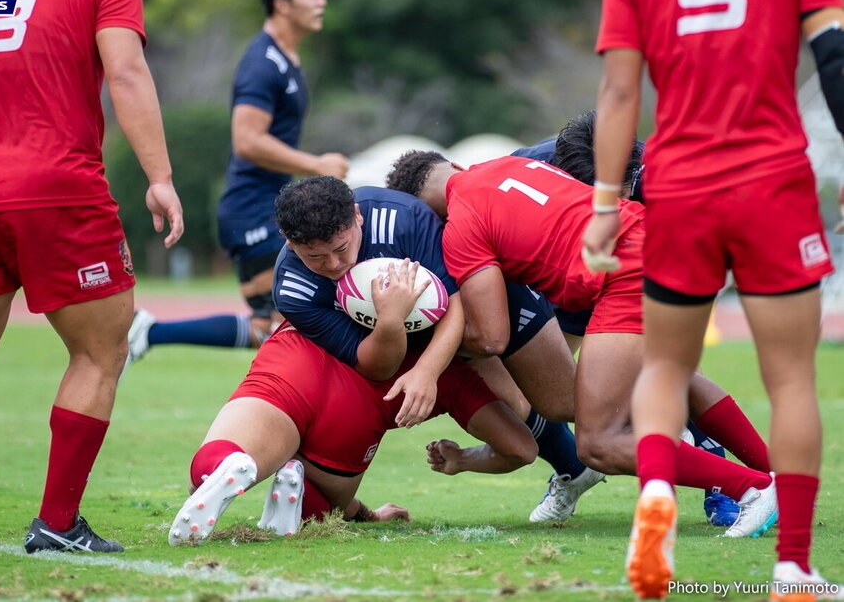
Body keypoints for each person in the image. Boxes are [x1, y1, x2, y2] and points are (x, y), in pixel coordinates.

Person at [586, 0, 844, 597]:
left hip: (679, 190)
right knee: (790, 379)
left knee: (667, 367)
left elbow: (621, 90)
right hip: (772, 184)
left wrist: (604, 202)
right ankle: (793, 569)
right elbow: (833, 58)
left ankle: (654, 498)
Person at [0, 0, 183, 553]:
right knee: (99, 352)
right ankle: (57, 524)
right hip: (61, 189)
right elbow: (127, 73)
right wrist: (159, 178)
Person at [385, 151, 777, 539]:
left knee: (599, 445)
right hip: (660, 245)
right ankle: (783, 480)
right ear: (452, 165)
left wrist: (429, 347)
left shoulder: (459, 225)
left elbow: (492, 336)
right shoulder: (507, 164)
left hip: (627, 275)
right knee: (678, 379)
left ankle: (754, 488)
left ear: (424, 215)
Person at [273, 176, 605, 521]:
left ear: (358, 217)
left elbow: (459, 302)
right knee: (521, 412)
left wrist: (427, 372)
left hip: (477, 314)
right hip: (399, 353)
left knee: (552, 398)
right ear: (288, 241)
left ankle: (633, 438)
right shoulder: (293, 289)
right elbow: (372, 365)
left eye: (341, 248)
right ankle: (578, 464)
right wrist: (391, 322)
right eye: (314, 256)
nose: (333, 265)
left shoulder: (400, 218)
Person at [521, 109, 741, 528]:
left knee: (673, 374)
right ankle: (574, 468)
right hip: (571, 281)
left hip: (644, 279)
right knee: (531, 389)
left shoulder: (667, 179)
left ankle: (722, 482)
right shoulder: (535, 165)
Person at [124, 0, 349, 366]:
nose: (321, 1)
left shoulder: (287, 60)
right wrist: (316, 165)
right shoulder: (264, 62)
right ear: (281, 4)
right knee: (311, 318)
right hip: (254, 213)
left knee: (269, 327)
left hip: (262, 210)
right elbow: (246, 140)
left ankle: (148, 331)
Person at [168, 322, 537, 544]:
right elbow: (522, 448)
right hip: (355, 418)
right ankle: (298, 493)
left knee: (211, 469)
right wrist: (463, 459)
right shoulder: (454, 375)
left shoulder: (339, 264)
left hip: (299, 355)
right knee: (328, 505)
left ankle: (231, 463)